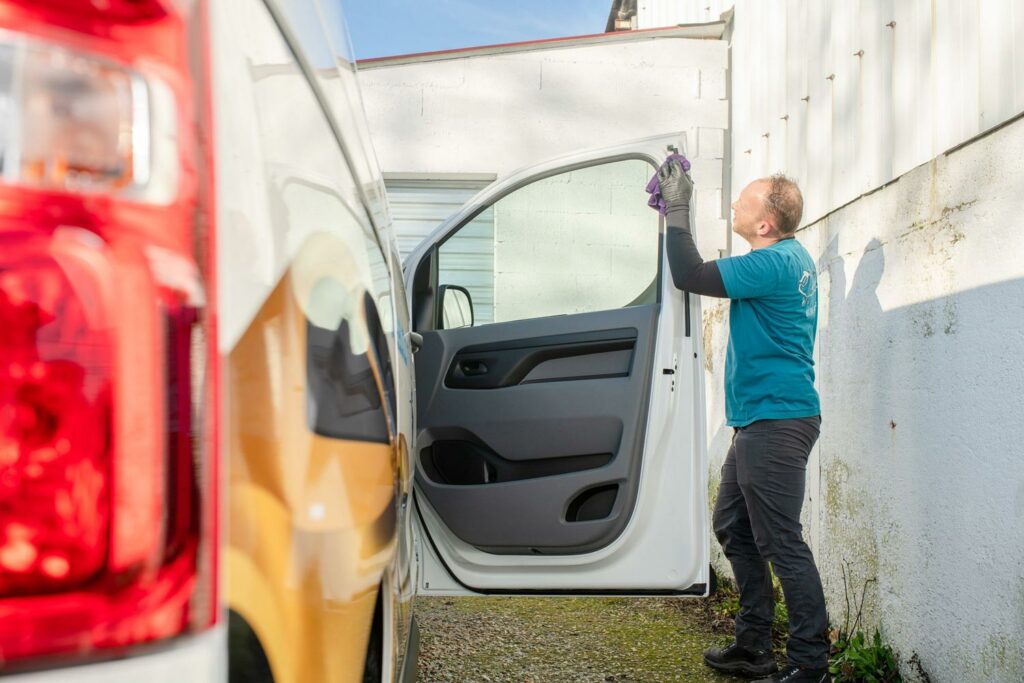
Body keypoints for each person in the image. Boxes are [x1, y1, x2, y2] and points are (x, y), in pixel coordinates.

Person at [656, 160, 830, 683]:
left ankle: (809, 664)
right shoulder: (788, 257)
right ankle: (754, 647)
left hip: (777, 420)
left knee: (781, 541)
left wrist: (678, 210)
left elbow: (689, 275)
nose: (734, 205)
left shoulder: (772, 263)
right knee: (734, 525)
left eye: (744, 202)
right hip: (765, 418)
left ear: (765, 225)